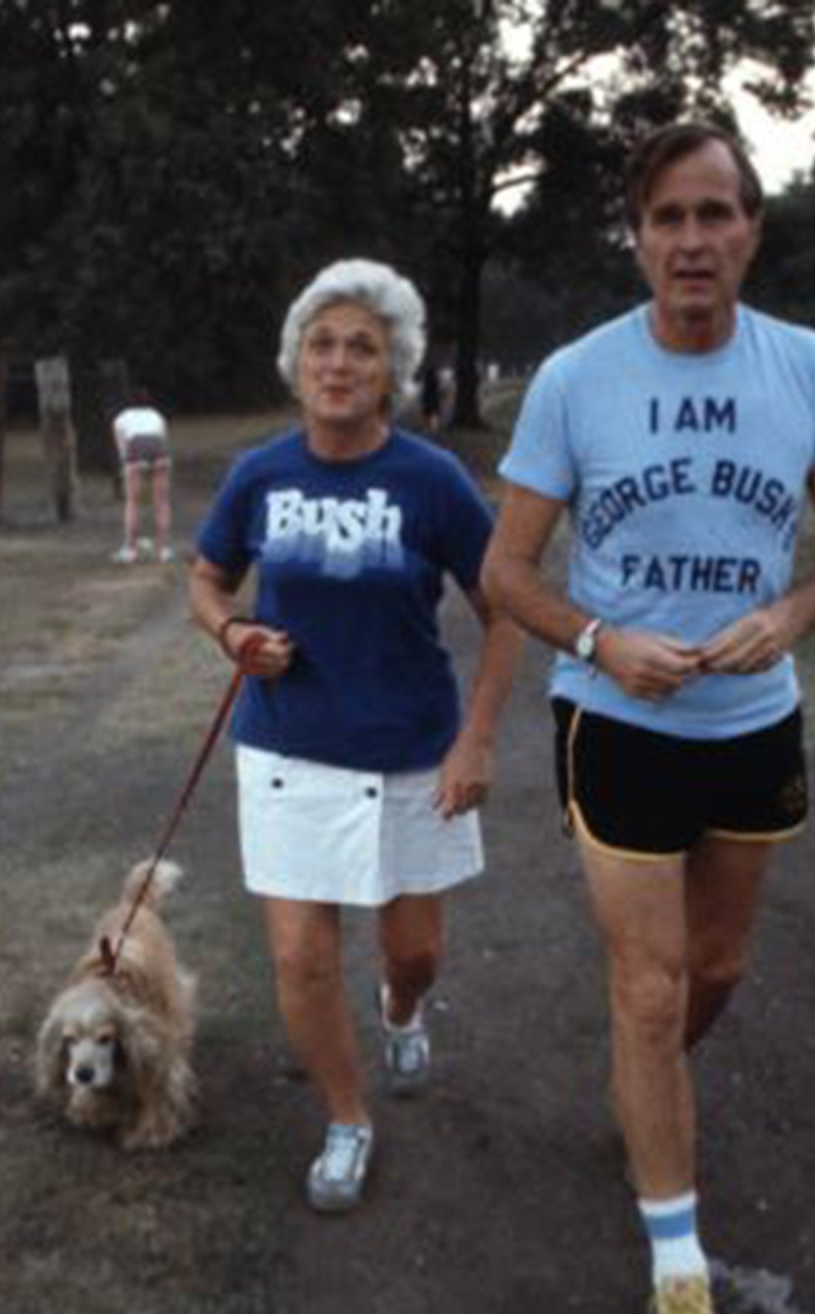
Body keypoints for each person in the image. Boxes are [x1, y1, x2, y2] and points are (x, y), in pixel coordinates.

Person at [482, 123, 815, 1314]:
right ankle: (676, 1272)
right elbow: (503, 573)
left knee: (714, 972)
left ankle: (645, 1095)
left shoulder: (807, 367)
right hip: (616, 721)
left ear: (751, 230)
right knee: (647, 991)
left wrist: (790, 616)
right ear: (639, 237)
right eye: (667, 217)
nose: (691, 240)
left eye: (715, 214)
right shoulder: (574, 377)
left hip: (751, 722)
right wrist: (602, 636)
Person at [188, 258, 523, 1214]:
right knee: (300, 957)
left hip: (415, 751)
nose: (338, 363)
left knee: (412, 951)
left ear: (393, 371)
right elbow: (205, 580)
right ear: (297, 362)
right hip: (287, 750)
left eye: (362, 348)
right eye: (321, 345)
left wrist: (479, 740)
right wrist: (232, 633)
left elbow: (504, 610)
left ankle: (403, 1008)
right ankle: (347, 1119)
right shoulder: (259, 473)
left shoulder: (433, 480)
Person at [110, 389, 175, 563]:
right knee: (162, 502)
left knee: (132, 502)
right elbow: (163, 439)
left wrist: (127, 466)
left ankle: (130, 550)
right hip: (158, 448)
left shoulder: (121, 418)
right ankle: (163, 550)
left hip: (136, 446)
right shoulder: (157, 416)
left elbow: (122, 446)